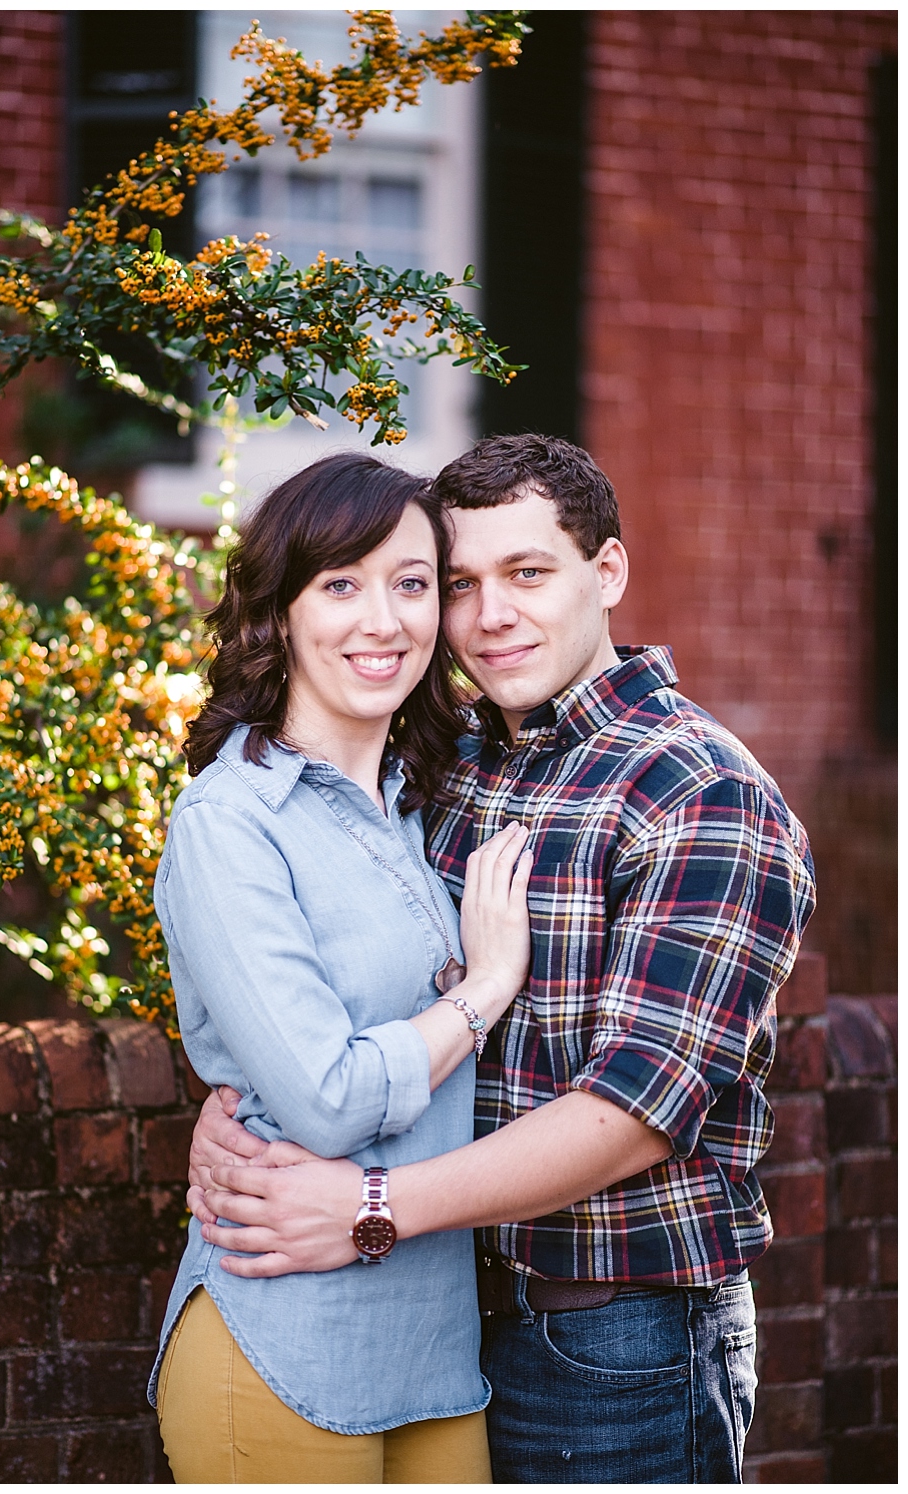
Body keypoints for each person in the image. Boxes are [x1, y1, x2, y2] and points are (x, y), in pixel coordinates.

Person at [188, 434, 817, 1485]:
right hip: (436, 1312)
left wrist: (369, 1206)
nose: (489, 615)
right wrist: (243, 1111)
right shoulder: (449, 759)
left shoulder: (699, 793)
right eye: (462, 583)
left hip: (617, 1343)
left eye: (528, 573)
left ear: (605, 572)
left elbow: (632, 1115)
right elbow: (328, 984)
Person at [150, 451, 535, 1483]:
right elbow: (323, 1099)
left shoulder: (431, 804)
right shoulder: (230, 825)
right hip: (285, 1347)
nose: (384, 620)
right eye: (341, 585)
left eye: (412, 584)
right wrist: (482, 991)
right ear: (278, 612)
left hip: (441, 1353)